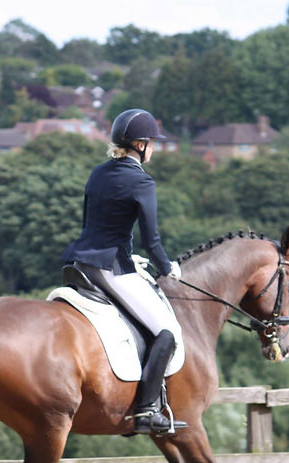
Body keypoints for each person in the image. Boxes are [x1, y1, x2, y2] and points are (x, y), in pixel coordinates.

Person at [61, 108, 186, 435]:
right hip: (112, 268)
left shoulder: (98, 173)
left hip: (82, 262)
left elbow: (91, 225)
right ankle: (147, 411)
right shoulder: (142, 181)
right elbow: (152, 238)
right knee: (167, 332)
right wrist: (166, 266)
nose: (154, 149)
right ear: (141, 144)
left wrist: (132, 257)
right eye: (152, 143)